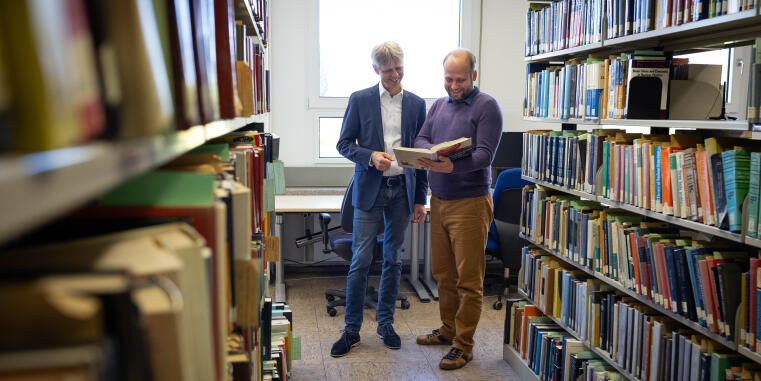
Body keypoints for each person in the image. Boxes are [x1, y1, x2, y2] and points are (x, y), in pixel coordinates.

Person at [330, 41, 428, 357]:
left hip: (402, 189)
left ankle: (386, 324)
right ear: (376, 70)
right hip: (370, 189)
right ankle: (351, 331)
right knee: (360, 260)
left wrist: (419, 199)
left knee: (394, 259)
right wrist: (370, 156)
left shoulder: (416, 104)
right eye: (388, 71)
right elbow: (343, 144)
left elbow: (421, 156)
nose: (395, 75)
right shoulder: (360, 100)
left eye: (399, 69)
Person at [413, 48, 502, 370]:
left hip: (470, 204)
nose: (454, 85)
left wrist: (452, 164)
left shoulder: (487, 106)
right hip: (439, 202)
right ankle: (448, 330)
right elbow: (422, 137)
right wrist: (432, 152)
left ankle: (464, 345)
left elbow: (484, 155)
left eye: (460, 79)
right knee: (443, 275)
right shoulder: (439, 105)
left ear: (473, 75)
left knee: (468, 281)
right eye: (449, 78)